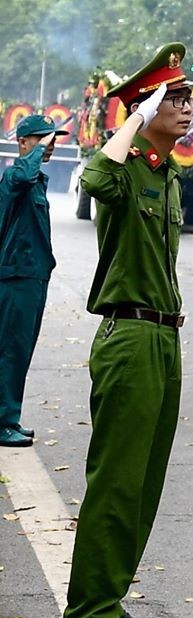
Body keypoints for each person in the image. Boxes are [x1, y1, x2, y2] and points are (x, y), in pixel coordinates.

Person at [62, 44, 193, 618]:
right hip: (130, 334)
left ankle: (107, 598)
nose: (190, 106)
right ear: (145, 106)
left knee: (143, 483)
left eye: (188, 96)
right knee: (116, 482)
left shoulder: (166, 174)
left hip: (165, 335)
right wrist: (134, 118)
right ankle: (88, 614)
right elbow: (93, 179)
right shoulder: (125, 168)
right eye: (176, 97)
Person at [0, 114, 67, 448]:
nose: (50, 145)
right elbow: (24, 173)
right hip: (16, 276)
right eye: (41, 139)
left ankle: (9, 416)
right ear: (22, 142)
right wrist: (37, 150)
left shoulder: (35, 179)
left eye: (52, 140)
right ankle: (2, 421)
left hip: (34, 276)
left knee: (21, 350)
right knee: (10, 349)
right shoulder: (16, 176)